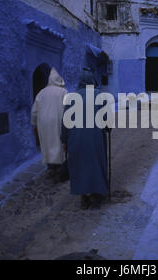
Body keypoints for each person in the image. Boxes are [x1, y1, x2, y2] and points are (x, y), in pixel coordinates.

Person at [61, 69, 109, 209]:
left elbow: (65, 122)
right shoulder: (100, 95)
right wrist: (107, 128)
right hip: (95, 138)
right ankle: (96, 195)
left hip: (75, 138)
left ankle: (84, 197)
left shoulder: (71, 97)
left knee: (79, 166)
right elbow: (106, 119)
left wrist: (64, 140)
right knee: (96, 164)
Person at [31, 67, 68, 178]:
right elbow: (68, 108)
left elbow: (34, 111)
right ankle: (60, 168)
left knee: (47, 144)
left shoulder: (41, 93)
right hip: (58, 121)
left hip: (44, 123)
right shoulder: (63, 92)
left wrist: (34, 124)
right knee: (58, 144)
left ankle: (51, 167)